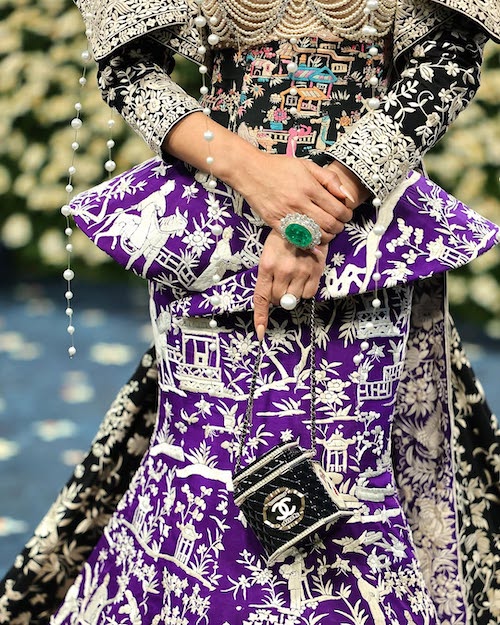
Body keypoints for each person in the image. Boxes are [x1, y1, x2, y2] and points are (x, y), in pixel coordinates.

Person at [1, 0, 499, 623]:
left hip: (363, 234)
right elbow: (128, 67)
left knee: (346, 482)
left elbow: (447, 60)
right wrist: (256, 175)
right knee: (201, 481)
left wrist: (317, 212)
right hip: (215, 226)